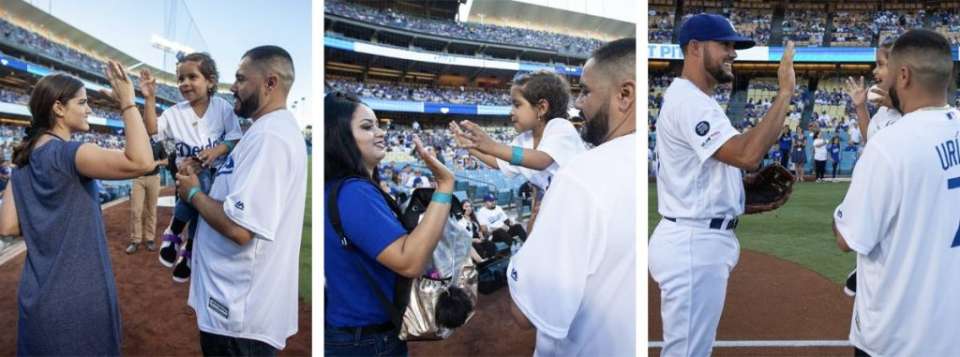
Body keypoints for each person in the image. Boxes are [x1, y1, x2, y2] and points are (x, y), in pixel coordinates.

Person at [649, 13, 796, 356]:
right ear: (695, 48)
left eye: (734, 46)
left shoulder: (696, 99)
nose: (733, 53)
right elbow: (748, 154)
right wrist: (785, 92)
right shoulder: (689, 101)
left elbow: (730, 163)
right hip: (693, 242)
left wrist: (737, 184)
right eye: (725, 45)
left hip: (698, 237)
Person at [0, 65, 155, 355]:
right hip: (80, 300)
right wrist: (127, 102)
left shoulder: (21, 164)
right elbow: (142, 162)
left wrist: (51, 220)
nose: (88, 109)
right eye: (82, 102)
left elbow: (7, 227)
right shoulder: (71, 153)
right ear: (58, 108)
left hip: (36, 300)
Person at [832, 29, 960, 356]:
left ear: (903, 75)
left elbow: (848, 238)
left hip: (897, 337)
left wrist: (839, 218)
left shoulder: (889, 145)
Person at [507, 37, 636, 355]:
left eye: (586, 91)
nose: (578, 103)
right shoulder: (643, 162)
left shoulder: (580, 177)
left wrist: (533, 235)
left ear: (625, 95)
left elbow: (524, 314)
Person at [175, 46, 306, 354]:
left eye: (241, 79)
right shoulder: (263, 131)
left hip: (238, 316)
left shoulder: (270, 137)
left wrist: (193, 193)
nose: (232, 87)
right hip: (234, 307)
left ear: (270, 83)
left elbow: (239, 229)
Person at [323, 91, 454, 356]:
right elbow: (409, 261)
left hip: (357, 334)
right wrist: (445, 185)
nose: (380, 132)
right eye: (367, 127)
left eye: (378, 125)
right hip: (366, 340)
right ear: (340, 135)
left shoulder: (343, 187)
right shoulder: (354, 192)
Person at [141, 52, 243, 282]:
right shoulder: (174, 112)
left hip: (217, 176)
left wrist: (216, 150)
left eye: (192, 77)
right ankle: (178, 236)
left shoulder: (222, 108)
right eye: (180, 79)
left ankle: (184, 244)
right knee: (198, 182)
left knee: (205, 203)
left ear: (210, 81)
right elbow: (152, 130)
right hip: (187, 177)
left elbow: (236, 137)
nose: (185, 83)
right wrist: (149, 98)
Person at [451, 70, 587, 232]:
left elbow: (540, 160)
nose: (511, 111)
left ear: (541, 108)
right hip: (558, 210)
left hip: (583, 209)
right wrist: (470, 147)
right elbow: (497, 162)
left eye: (517, 104)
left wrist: (492, 146)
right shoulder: (524, 140)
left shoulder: (560, 127)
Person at [841, 37, 901, 297]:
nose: (874, 72)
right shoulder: (884, 111)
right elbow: (871, 139)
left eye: (881, 64)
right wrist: (860, 106)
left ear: (902, 69)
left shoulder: (914, 115)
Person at [126, 139, 169, 254]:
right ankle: (135, 240)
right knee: (136, 210)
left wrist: (157, 163)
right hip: (138, 178)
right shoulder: (137, 140)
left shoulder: (158, 142)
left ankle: (150, 239)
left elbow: (166, 161)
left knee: (151, 209)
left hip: (154, 178)